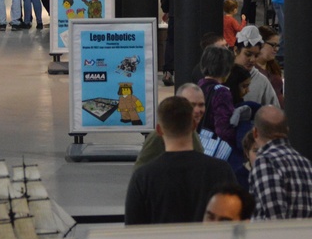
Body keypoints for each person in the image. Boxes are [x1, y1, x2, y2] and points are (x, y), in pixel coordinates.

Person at [124, 95, 236, 224]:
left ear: (159, 130)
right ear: (194, 125)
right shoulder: (221, 170)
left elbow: (133, 228)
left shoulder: (143, 177)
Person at [250, 106, 312, 219]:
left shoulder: (266, 162)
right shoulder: (306, 163)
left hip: (273, 236)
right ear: (287, 130)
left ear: (255, 133)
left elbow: (275, 221)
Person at [136, 83, 206, 168]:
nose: (198, 110)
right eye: (191, 105)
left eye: (201, 105)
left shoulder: (193, 131)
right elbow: (140, 171)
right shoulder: (160, 135)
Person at [234, 25, 280, 108]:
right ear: (236, 50)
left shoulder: (262, 81)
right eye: (248, 54)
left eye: (256, 56)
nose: (252, 60)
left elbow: (274, 111)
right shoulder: (222, 76)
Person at [255, 26, 284, 107]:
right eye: (273, 45)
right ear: (260, 43)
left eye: (277, 46)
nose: (276, 49)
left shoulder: (273, 66)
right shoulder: (252, 69)